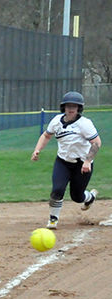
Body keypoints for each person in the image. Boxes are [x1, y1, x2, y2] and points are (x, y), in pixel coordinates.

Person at [31, 91, 102, 230]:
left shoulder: (84, 124)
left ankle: (89, 197)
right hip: (63, 162)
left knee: (77, 196)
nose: (71, 109)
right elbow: (46, 135)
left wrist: (88, 161)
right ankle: (53, 219)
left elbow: (96, 143)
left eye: (74, 106)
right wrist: (37, 150)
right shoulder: (57, 121)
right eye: (68, 105)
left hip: (82, 164)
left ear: (79, 108)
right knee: (57, 189)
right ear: (63, 107)